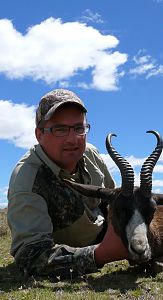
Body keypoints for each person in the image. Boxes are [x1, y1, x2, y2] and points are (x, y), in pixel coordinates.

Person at [7, 89, 129, 278]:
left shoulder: (91, 154)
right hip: (94, 250)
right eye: (60, 129)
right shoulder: (27, 179)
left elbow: (114, 204)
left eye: (79, 128)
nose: (73, 139)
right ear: (39, 134)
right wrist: (102, 254)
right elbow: (31, 258)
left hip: (107, 235)